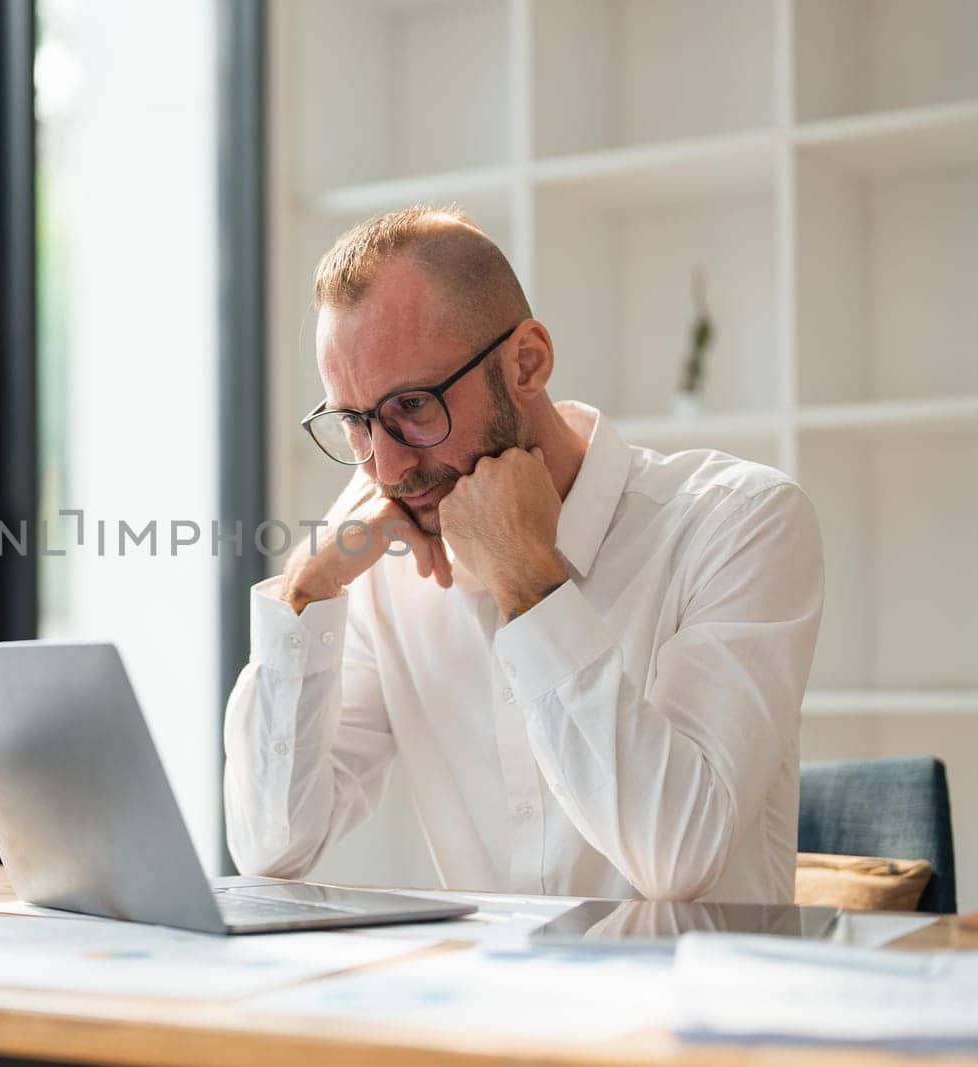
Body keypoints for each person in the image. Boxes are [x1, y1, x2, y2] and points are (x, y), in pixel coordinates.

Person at [223, 206, 824, 903]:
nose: (386, 468)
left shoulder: (742, 523)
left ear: (527, 362)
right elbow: (270, 848)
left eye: (413, 406)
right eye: (355, 424)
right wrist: (307, 588)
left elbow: (679, 854)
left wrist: (529, 585)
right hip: (487, 1008)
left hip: (690, 1005)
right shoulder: (383, 570)